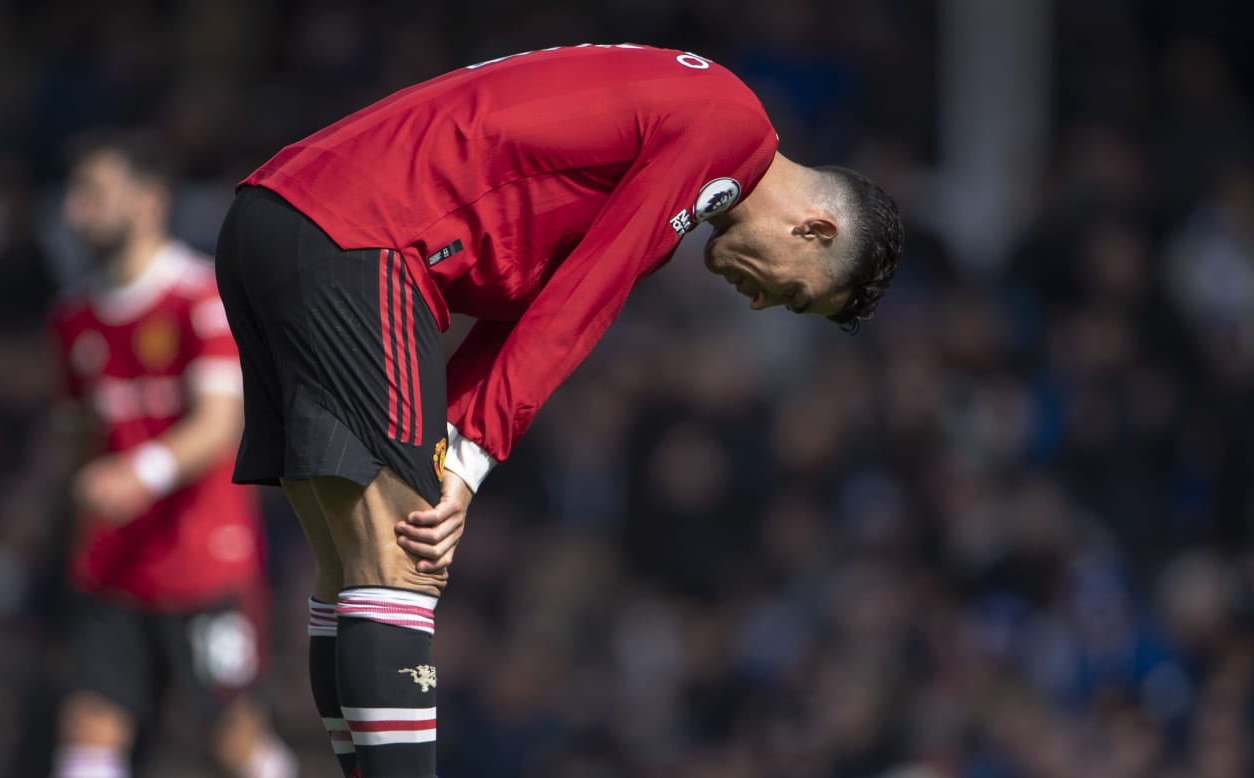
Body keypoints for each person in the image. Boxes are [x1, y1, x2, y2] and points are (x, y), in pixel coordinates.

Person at [214, 42, 904, 777]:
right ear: (815, 230)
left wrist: (454, 441)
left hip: (279, 215)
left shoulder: (691, 118)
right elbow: (585, 299)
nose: (761, 303)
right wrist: (471, 456)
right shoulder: (729, 132)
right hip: (363, 236)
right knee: (404, 562)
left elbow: (532, 313)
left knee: (348, 567)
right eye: (794, 292)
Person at [47, 133, 297, 778]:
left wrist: (141, 472)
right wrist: (79, 507)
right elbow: (78, 437)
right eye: (75, 194)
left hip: (203, 560)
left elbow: (220, 423)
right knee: (89, 730)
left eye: (94, 193)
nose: (76, 210)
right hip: (112, 564)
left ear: (149, 200)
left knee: (234, 740)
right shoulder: (73, 319)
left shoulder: (198, 297)